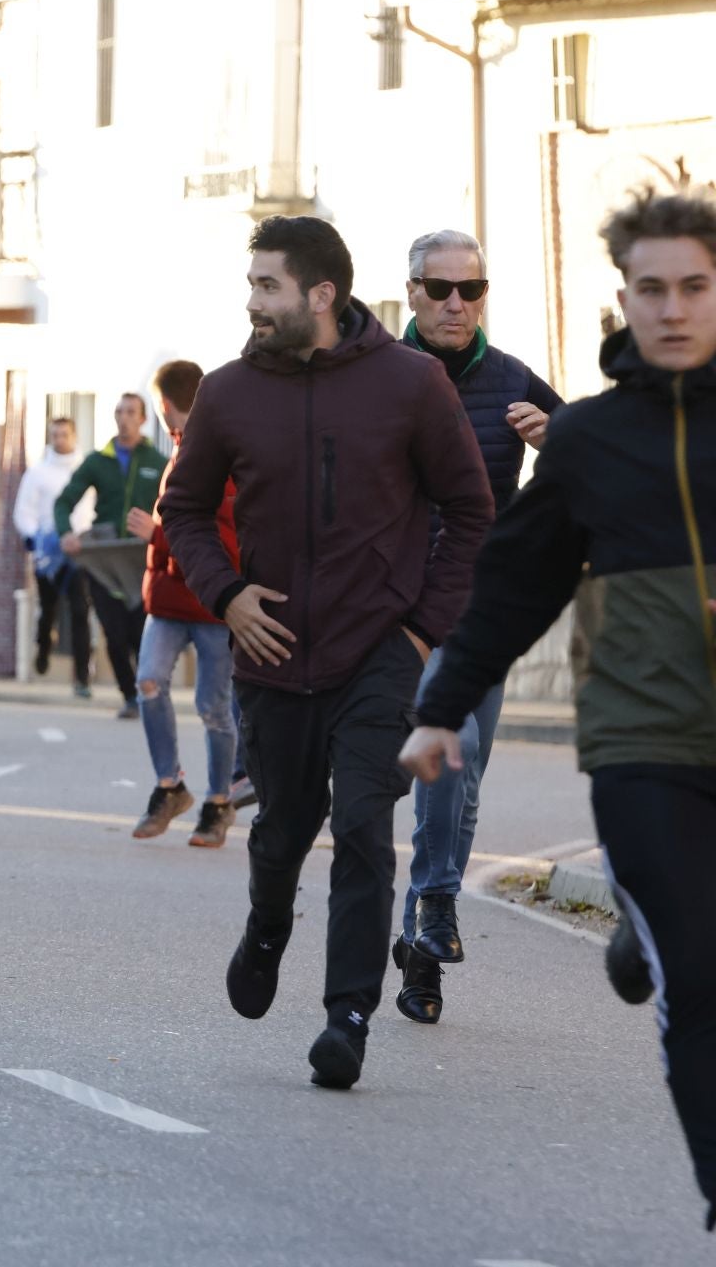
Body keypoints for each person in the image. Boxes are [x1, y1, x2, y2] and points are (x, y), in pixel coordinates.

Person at [401, 185, 716, 1231]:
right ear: (623, 297)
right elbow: (517, 580)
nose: (672, 309)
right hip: (644, 742)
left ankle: (641, 924)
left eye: (696, 287)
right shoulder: (588, 441)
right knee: (703, 986)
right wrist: (442, 707)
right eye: (652, 289)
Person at [160, 215, 492, 1090]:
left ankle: (349, 1015)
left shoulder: (413, 384)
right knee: (281, 835)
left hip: (378, 652)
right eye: (252, 285)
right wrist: (226, 595)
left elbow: (470, 510)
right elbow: (185, 513)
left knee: (362, 831)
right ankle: (268, 927)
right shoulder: (229, 392)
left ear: (321, 295)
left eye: (268, 285)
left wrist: (422, 629)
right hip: (270, 656)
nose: (252, 302)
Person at [388, 228, 566, 1026]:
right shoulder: (378, 378)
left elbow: (594, 475)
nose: (456, 303)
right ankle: (435, 898)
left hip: (482, 609)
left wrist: (555, 446)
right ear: (412, 293)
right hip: (396, 613)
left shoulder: (514, 380)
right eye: (439, 288)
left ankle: (422, 953)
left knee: (462, 789)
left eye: (472, 288)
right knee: (445, 758)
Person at [123, 360, 242, 848]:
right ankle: (169, 786)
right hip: (168, 599)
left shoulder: (226, 453)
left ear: (165, 404)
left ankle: (218, 802)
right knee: (148, 681)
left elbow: (229, 538)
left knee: (213, 707)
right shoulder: (178, 449)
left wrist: (159, 535)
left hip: (212, 602)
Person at [54, 393, 167, 718]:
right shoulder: (96, 461)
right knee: (113, 633)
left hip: (141, 560)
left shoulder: (157, 462)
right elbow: (64, 502)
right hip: (103, 560)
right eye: (119, 411)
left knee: (140, 632)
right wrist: (66, 534)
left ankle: (149, 693)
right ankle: (130, 696)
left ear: (143, 419)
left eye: (131, 412)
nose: (124, 417)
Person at [12, 416, 93, 693]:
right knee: (48, 610)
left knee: (80, 610)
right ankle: (44, 647)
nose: (59, 439)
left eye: (64, 434)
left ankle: (82, 677)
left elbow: (91, 509)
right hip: (48, 554)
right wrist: (34, 538)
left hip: (79, 552)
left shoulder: (86, 470)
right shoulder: (37, 473)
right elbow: (24, 511)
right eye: (54, 435)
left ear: (74, 436)